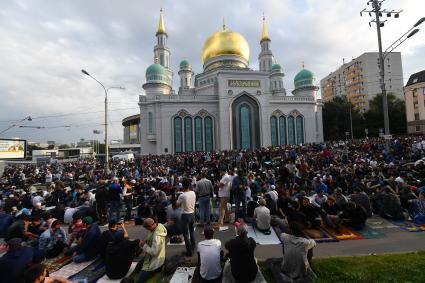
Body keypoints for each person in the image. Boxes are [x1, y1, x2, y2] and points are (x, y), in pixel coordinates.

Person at [136, 218, 167, 283]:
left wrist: (143, 245)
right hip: (159, 258)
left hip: (154, 262)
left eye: (147, 228)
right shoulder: (159, 226)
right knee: (138, 267)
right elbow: (154, 241)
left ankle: (157, 269)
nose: (147, 230)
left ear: (150, 226)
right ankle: (158, 269)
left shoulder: (157, 236)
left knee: (139, 281)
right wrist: (147, 241)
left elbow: (155, 252)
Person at [177, 178, 196, 257]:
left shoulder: (182, 195)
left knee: (185, 234)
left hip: (185, 215)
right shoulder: (193, 192)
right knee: (191, 232)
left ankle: (189, 252)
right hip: (192, 214)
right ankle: (193, 247)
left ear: (183, 186)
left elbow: (177, 205)